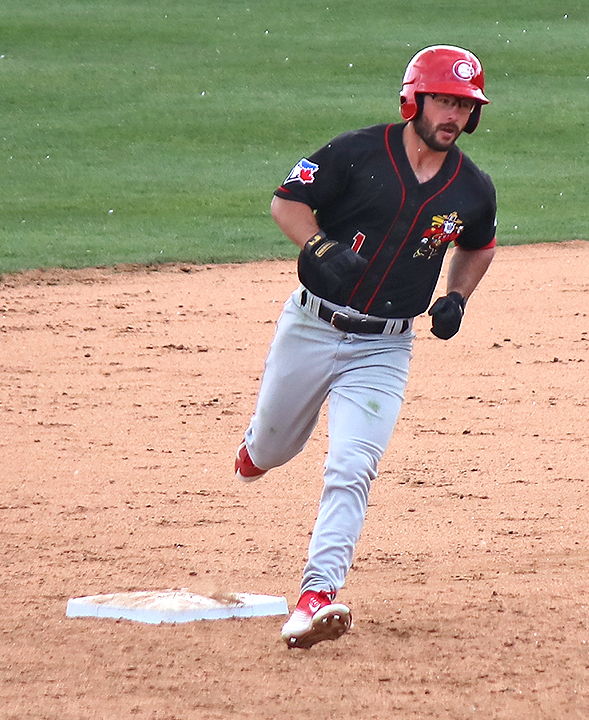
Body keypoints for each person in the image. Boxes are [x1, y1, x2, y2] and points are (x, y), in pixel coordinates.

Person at [234, 45, 497, 649]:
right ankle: (258, 447)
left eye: (464, 104)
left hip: (384, 349)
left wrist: (457, 296)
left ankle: (316, 595)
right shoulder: (355, 152)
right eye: (443, 101)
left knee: (352, 466)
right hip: (312, 326)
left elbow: (479, 245)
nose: (452, 115)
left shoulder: (471, 189)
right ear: (414, 99)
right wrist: (318, 248)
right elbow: (287, 202)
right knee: (272, 448)